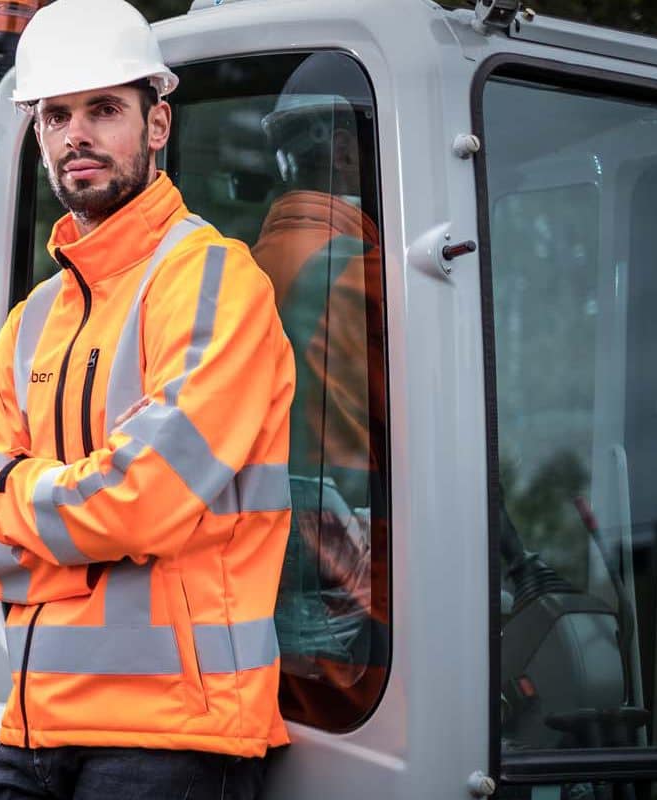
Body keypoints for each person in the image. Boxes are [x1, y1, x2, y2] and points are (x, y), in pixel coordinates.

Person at [0, 1, 296, 796]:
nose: (78, 136)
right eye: (57, 115)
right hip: (32, 732)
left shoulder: (215, 282)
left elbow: (142, 500)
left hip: (174, 740)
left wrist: (20, 492)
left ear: (158, 124)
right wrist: (96, 525)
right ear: (35, 135)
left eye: (104, 109)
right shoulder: (32, 321)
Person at [249, 53, 389, 725]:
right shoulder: (363, 274)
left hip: (259, 587)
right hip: (356, 590)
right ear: (340, 148)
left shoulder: (238, 272)